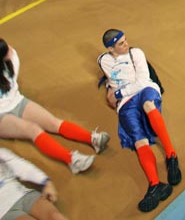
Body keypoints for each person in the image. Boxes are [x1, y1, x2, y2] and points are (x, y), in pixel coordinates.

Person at [98, 30, 182, 213]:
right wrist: (109, 88)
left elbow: (143, 81)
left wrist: (118, 93)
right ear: (110, 49)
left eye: (125, 40)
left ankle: (171, 156)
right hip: (125, 104)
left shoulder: (136, 53)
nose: (126, 44)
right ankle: (155, 185)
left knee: (148, 106)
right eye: (121, 43)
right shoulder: (103, 60)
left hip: (145, 90)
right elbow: (111, 77)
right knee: (138, 139)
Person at [0, 39, 109, 173]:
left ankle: (92, 139)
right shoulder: (11, 59)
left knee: (53, 122)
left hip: (17, 102)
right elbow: (9, 49)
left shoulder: (10, 60)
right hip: (2, 116)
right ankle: (72, 160)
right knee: (33, 130)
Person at [0, 147, 66, 220]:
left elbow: (20, 166)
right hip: (4, 211)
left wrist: (46, 181)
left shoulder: (1, 153)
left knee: (56, 216)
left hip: (24, 195)